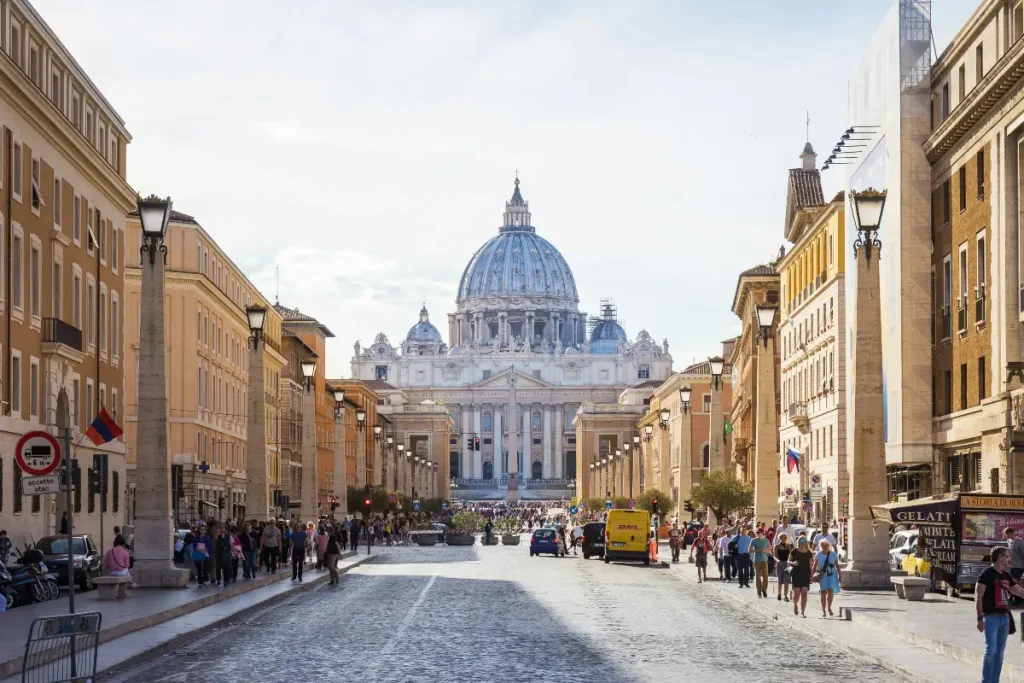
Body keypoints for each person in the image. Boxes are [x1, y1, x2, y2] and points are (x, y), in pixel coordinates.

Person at [978, 546, 1024, 683]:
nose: (1009, 559)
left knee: (999, 654)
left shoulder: (1005, 575)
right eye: (1006, 556)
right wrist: (979, 618)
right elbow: (978, 596)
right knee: (991, 651)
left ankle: (995, 680)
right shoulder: (986, 574)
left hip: (1005, 618)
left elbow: (1019, 591)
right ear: (999, 557)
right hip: (991, 618)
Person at [812, 539, 841, 617]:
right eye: (823, 545)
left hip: (832, 575)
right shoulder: (818, 554)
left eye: (826, 545)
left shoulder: (833, 554)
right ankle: (823, 610)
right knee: (823, 592)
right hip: (823, 575)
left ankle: (829, 608)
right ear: (820, 546)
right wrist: (812, 576)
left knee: (830, 591)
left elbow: (837, 565)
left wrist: (840, 576)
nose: (825, 547)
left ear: (829, 546)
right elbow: (814, 566)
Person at [789, 537, 813, 617]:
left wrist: (811, 576)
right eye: (801, 541)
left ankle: (802, 611)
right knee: (797, 594)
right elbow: (788, 561)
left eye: (805, 541)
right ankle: (795, 604)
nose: (803, 542)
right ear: (798, 542)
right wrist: (793, 563)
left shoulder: (809, 553)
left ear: (807, 542)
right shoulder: (794, 551)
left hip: (805, 574)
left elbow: (810, 565)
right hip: (796, 574)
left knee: (804, 593)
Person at [750, 528, 772, 598]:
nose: (758, 534)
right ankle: (759, 590)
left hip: (764, 560)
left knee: (765, 575)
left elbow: (769, 550)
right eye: (757, 532)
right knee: (758, 575)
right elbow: (750, 550)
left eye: (759, 532)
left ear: (762, 533)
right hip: (756, 560)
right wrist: (758, 550)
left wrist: (765, 551)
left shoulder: (766, 540)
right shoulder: (754, 540)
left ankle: (764, 589)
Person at [775, 533, 792, 602]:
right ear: (780, 538)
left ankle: (785, 596)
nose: (784, 538)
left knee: (786, 580)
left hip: (786, 563)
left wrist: (789, 561)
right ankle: (779, 594)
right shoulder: (777, 546)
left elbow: (790, 555)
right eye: (782, 537)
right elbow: (775, 555)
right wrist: (777, 561)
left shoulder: (788, 546)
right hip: (780, 564)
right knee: (779, 580)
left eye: (785, 537)